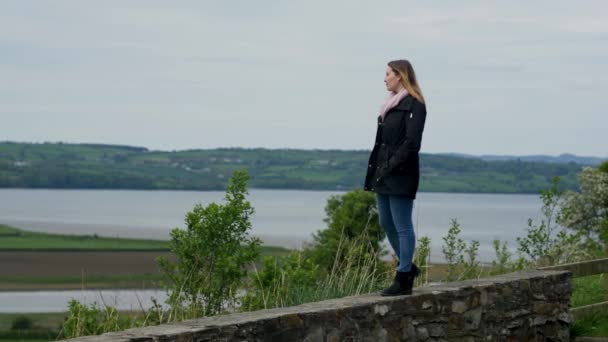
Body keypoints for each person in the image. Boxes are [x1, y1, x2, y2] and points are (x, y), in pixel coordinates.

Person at [363, 59, 427, 296]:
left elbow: (412, 144)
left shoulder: (415, 104)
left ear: (400, 75)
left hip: (401, 173)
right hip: (383, 172)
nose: (385, 78)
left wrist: (391, 164)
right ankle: (408, 266)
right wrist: (380, 167)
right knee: (386, 223)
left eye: (388, 73)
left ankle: (403, 279)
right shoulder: (389, 105)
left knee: (402, 226)